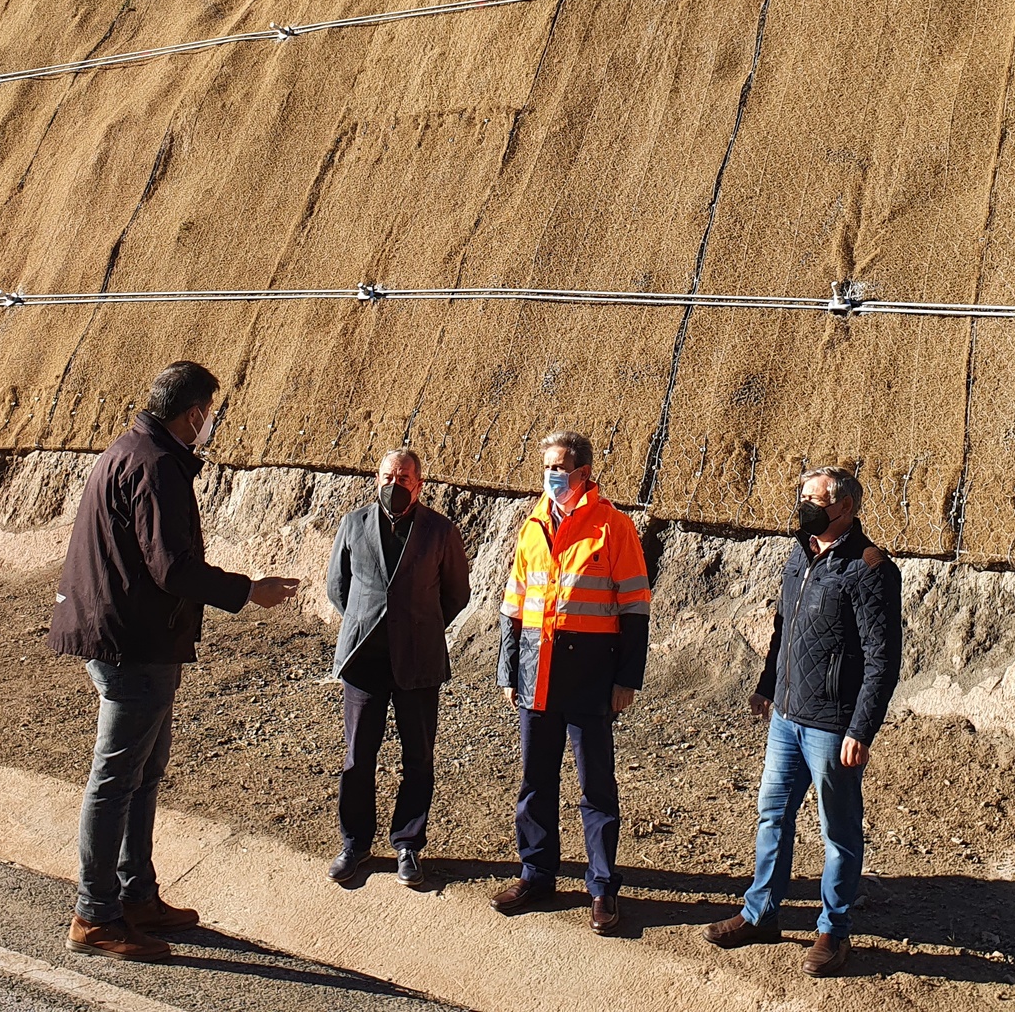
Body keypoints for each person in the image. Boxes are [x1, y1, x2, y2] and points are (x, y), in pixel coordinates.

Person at [47, 361, 301, 961]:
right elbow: (171, 568)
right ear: (193, 414)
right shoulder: (157, 464)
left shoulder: (129, 449)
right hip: (132, 643)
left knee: (141, 772)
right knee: (116, 778)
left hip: (129, 636)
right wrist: (248, 590)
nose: (209, 424)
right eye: (208, 413)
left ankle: (134, 893)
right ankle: (95, 913)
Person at [705, 466, 902, 977]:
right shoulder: (801, 555)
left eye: (817, 500)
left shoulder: (870, 568)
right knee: (772, 816)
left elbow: (883, 660)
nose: (806, 507)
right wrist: (768, 685)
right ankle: (760, 914)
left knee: (837, 832)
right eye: (803, 497)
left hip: (833, 726)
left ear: (846, 509)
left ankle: (833, 932)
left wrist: (862, 728)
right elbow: (783, 627)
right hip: (787, 719)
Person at [490, 430, 650, 935]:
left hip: (590, 678)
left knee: (596, 786)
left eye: (558, 467)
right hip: (536, 674)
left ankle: (602, 887)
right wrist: (509, 669)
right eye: (546, 467)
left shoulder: (613, 527)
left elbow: (635, 608)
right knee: (534, 781)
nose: (550, 475)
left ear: (582, 472)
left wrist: (627, 678)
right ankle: (537, 874)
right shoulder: (534, 524)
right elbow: (513, 604)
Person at [325, 448, 472, 888]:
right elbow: (338, 588)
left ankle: (408, 843)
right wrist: (368, 620)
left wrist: (419, 625)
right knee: (357, 757)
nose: (396, 483)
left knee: (419, 756)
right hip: (365, 661)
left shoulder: (441, 531)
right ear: (377, 478)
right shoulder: (353, 524)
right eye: (389, 475)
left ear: (419, 484)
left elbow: (456, 595)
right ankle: (355, 844)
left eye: (405, 477)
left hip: (418, 661)